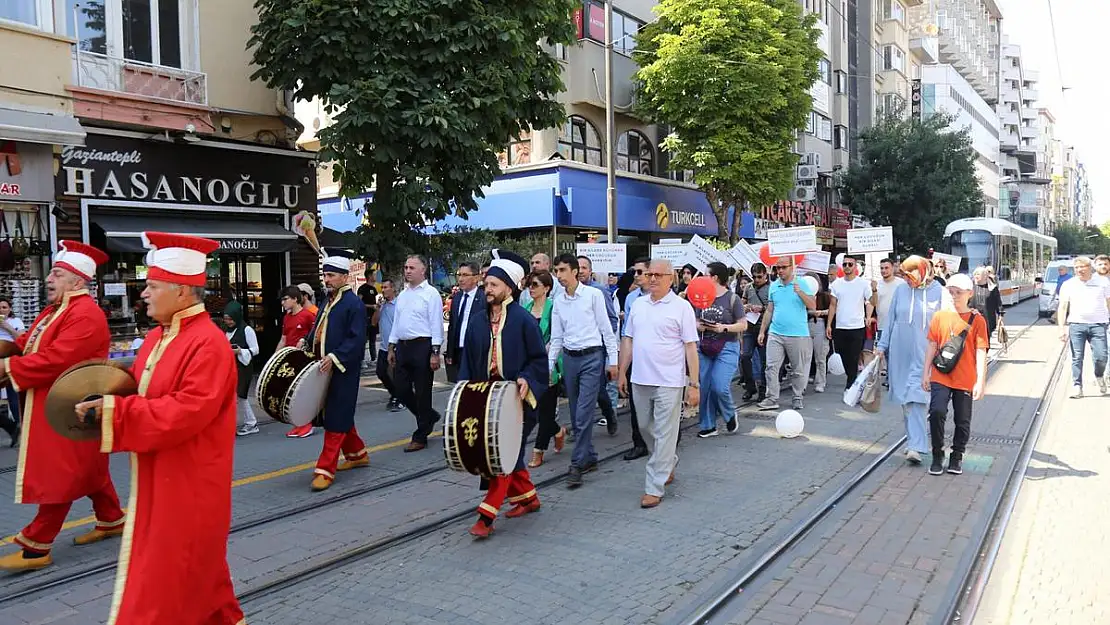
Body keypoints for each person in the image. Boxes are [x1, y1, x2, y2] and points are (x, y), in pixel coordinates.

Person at [74, 232, 244, 624]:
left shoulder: (209, 344)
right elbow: (141, 390)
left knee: (166, 585)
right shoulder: (155, 338)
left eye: (152, 285)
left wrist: (115, 414)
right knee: (202, 582)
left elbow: (185, 411)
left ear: (183, 291)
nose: (144, 294)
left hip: (191, 485)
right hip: (161, 477)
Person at [0, 241, 125, 571]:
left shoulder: (85, 314)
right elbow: (27, 346)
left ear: (78, 281)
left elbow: (56, 360)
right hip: (57, 404)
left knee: (63, 472)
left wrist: (8, 369)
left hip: (70, 407)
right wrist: (6, 351)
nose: (49, 279)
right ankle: (112, 518)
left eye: (57, 273)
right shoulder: (54, 310)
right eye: (51, 272)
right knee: (88, 468)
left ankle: (36, 545)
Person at [460, 251, 548, 538]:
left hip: (516, 401)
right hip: (485, 401)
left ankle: (486, 516)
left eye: (494, 285)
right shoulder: (476, 321)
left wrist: (526, 378)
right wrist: (463, 394)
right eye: (487, 285)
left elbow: (538, 360)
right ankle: (528, 499)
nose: (488, 289)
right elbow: (468, 362)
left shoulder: (524, 321)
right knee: (505, 456)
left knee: (502, 457)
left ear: (509, 288)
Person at [618, 259, 700, 508]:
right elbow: (628, 340)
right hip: (640, 378)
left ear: (670, 278)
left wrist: (694, 384)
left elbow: (690, 347)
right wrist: (622, 371)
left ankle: (654, 486)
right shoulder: (637, 304)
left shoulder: (682, 307)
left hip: (669, 381)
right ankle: (667, 462)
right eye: (648, 273)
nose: (652, 278)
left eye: (657, 275)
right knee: (645, 427)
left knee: (665, 432)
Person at [548, 253, 619, 489]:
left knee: (583, 413)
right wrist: (549, 366)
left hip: (592, 357)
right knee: (577, 410)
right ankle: (589, 457)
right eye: (556, 271)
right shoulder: (558, 301)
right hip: (570, 359)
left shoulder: (594, 295)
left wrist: (613, 361)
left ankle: (577, 464)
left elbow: (606, 329)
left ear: (575, 271)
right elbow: (556, 337)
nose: (559, 276)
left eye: (562, 270)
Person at [875, 256, 953, 465]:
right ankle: (913, 442)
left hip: (925, 354)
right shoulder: (901, 290)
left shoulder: (940, 293)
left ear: (922, 272)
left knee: (916, 398)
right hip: (900, 355)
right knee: (905, 399)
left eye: (911, 276)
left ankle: (916, 446)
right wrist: (882, 347)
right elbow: (890, 320)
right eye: (905, 276)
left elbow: (948, 325)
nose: (907, 280)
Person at [306, 249, 369, 491]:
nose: (327, 279)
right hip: (325, 368)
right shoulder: (328, 300)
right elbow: (319, 327)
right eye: (325, 275)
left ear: (344, 277)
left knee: (335, 418)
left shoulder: (353, 304)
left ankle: (325, 468)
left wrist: (335, 357)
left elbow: (356, 339)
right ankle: (357, 454)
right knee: (340, 414)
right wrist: (307, 340)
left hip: (343, 370)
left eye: (331, 275)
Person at [923, 274, 989, 476]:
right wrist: (925, 372)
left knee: (962, 419)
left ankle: (957, 456)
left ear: (969, 294)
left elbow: (980, 351)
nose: (954, 296)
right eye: (951, 292)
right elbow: (933, 345)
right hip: (941, 374)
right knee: (936, 411)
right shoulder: (939, 316)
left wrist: (980, 380)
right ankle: (937, 454)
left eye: (958, 293)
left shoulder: (978, 320)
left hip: (965, 377)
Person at [388, 255, 444, 452]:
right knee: (401, 390)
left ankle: (421, 434)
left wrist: (435, 352)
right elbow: (397, 322)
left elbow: (436, 324)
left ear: (423, 270)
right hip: (403, 347)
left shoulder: (431, 294)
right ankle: (428, 416)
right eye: (405, 267)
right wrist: (391, 346)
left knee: (422, 392)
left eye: (412, 267)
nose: (407, 271)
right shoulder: (402, 295)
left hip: (423, 346)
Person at [757, 256, 817, 411]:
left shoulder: (801, 283)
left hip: (798, 334)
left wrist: (800, 292)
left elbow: (813, 306)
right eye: (778, 268)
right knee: (771, 367)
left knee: (798, 370)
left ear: (792, 267)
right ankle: (772, 398)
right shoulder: (774, 286)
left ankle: (797, 397)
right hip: (776, 333)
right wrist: (763, 331)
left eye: (784, 267)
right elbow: (770, 309)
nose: (780, 271)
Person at [695, 262, 746, 438]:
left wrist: (723, 327)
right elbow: (693, 319)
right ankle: (708, 425)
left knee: (719, 386)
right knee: (705, 387)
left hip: (727, 346)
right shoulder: (700, 296)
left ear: (715, 277)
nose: (701, 278)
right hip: (705, 346)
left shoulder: (732, 298)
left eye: (705, 274)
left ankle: (730, 413)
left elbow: (743, 324)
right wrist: (698, 325)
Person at [524, 270, 565, 468]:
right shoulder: (525, 308)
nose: (531, 289)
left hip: (550, 365)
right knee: (536, 409)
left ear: (547, 288)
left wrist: (548, 349)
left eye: (535, 285)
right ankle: (558, 431)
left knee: (546, 412)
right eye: (529, 284)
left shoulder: (554, 308)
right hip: (530, 366)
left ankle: (538, 450)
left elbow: (559, 336)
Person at [576, 255, 620, 436]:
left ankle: (609, 414)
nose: (580, 271)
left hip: (597, 350)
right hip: (575, 350)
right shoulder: (567, 292)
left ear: (590, 271)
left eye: (584, 268)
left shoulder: (600, 291)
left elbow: (612, 319)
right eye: (577, 267)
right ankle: (579, 427)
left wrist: (605, 346)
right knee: (577, 390)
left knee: (599, 389)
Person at [1056, 255, 1110, 398]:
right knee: (1077, 357)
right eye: (1077, 267)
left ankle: (1099, 376)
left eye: (1083, 267)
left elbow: (1109, 302)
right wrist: (1062, 328)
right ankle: (1077, 386)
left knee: (1101, 356)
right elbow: (1062, 307)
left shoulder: (1103, 282)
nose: (1080, 270)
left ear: (1090, 268)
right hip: (1077, 324)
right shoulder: (1068, 284)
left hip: (1098, 324)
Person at [827, 254, 875, 390]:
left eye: (850, 264)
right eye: (845, 264)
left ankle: (851, 385)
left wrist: (868, 316)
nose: (847, 267)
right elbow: (832, 305)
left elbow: (871, 302)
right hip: (840, 327)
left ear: (855, 266)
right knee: (844, 356)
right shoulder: (836, 284)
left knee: (854, 357)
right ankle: (852, 379)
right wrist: (829, 324)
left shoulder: (863, 284)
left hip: (857, 326)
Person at [277, 285, 319, 437]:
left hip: (304, 362)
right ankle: (297, 424)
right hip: (289, 361)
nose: (283, 303)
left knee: (301, 394)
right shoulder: (286, 317)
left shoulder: (308, 316)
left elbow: (316, 336)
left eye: (285, 299)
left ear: (295, 299)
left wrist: (305, 341)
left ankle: (307, 424)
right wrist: (275, 358)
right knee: (290, 395)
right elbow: (283, 339)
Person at [619, 258, 650, 459]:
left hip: (656, 359)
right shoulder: (631, 298)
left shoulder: (669, 299)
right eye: (634, 272)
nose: (636, 275)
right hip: (635, 356)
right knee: (636, 402)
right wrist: (622, 368)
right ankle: (639, 442)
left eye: (640, 272)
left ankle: (668, 438)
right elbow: (626, 334)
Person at [225, 304, 260, 437]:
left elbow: (256, 349)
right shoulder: (227, 330)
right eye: (226, 319)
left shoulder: (247, 330)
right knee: (236, 396)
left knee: (240, 395)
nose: (228, 322)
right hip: (231, 367)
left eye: (230, 319)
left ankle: (250, 423)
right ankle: (250, 422)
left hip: (243, 366)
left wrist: (240, 351)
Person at [445, 261, 483, 383]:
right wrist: (450, 352)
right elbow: (452, 326)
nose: (461, 279)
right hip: (459, 351)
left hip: (476, 352)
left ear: (477, 277)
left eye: (465, 275)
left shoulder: (484, 298)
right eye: (459, 275)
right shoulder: (457, 298)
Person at [372, 278, 405, 412]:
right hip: (384, 346)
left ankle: (401, 398)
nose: (383, 290)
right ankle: (395, 394)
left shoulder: (399, 305)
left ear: (393, 289)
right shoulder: (382, 305)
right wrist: (378, 308)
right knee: (381, 371)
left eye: (386, 287)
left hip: (396, 346)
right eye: (382, 288)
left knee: (397, 374)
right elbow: (374, 322)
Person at [741, 263, 771, 402]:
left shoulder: (771, 288)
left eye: (759, 277)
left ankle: (763, 389)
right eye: (754, 277)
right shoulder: (748, 287)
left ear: (765, 275)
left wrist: (762, 308)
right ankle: (750, 386)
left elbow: (774, 308)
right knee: (745, 356)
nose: (757, 280)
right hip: (749, 326)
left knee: (764, 360)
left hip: (764, 328)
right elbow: (741, 304)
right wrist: (745, 307)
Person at [0, 294, 26, 446]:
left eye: (4, 307)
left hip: (12, 359)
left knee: (13, 398)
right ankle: (13, 428)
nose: (2, 310)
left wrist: (7, 327)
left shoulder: (16, 322)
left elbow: (22, 340)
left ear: (10, 309)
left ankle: (20, 428)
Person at [808, 276, 832, 393]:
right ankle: (802, 383)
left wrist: (821, 312)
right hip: (805, 325)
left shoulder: (825, 296)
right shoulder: (804, 296)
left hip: (820, 325)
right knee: (805, 358)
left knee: (820, 357)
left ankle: (821, 382)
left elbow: (833, 309)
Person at [970, 267, 1003, 339]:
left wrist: (1000, 315)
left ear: (985, 276)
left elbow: (998, 302)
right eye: (975, 274)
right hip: (971, 319)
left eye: (978, 274)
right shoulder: (970, 287)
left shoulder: (992, 288)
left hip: (987, 319)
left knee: (985, 342)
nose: (976, 276)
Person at [357, 270, 379, 363]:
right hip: (365, 318)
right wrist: (371, 306)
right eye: (374, 275)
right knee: (364, 339)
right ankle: (362, 360)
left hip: (373, 317)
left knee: (373, 339)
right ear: (369, 276)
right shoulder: (362, 288)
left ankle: (374, 358)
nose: (376, 276)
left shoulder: (374, 289)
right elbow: (358, 303)